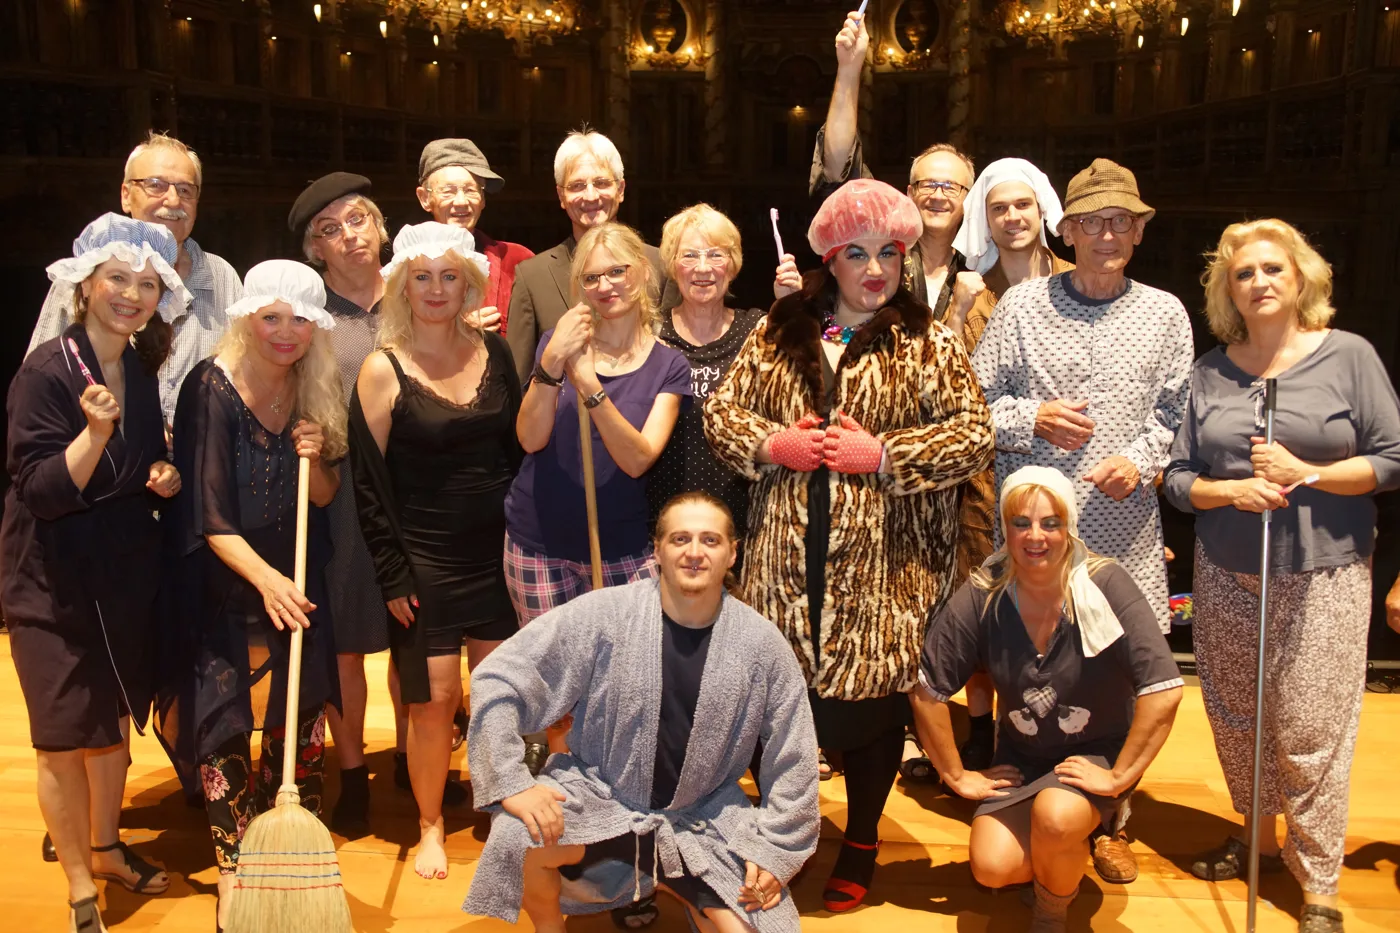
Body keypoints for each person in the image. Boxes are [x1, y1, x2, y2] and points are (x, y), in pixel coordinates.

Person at [704, 178, 994, 911]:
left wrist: (888, 454)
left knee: (871, 717)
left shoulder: (929, 341)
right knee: (777, 711)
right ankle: (785, 834)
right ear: (829, 259)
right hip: (782, 562)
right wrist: (772, 443)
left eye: (888, 253)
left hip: (885, 569)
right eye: (857, 253)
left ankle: (861, 839)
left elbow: (974, 436)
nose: (875, 269)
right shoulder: (780, 331)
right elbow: (722, 415)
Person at [1163, 219, 1400, 933]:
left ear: (1301, 278)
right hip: (1227, 569)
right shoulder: (1211, 371)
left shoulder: (1348, 356)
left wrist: (1309, 472)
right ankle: (1257, 840)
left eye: (1273, 268)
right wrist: (1229, 490)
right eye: (1244, 273)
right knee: (1240, 717)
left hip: (1325, 572)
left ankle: (1318, 877)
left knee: (1309, 730)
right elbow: (1178, 478)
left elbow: (1391, 459)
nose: (1259, 282)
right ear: (1228, 291)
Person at [970, 159, 1190, 880]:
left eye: (1121, 221)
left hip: (1121, 529)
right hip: (1034, 537)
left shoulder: (1166, 313)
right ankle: (1027, 789)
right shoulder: (1021, 307)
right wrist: (1030, 416)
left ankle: (1111, 813)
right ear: (1065, 230)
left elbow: (1175, 412)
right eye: (1091, 222)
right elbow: (974, 403)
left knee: (1119, 676)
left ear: (1140, 232)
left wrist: (1141, 460)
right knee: (1029, 665)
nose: (1106, 234)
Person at [462, 492, 820, 933]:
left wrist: (776, 848)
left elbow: (794, 755)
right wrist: (510, 780)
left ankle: (684, 890)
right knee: (518, 835)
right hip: (601, 800)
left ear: (732, 553)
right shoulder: (604, 615)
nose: (694, 552)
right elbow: (499, 677)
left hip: (703, 818)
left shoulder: (761, 645)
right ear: (657, 550)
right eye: (680, 539)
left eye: (709, 540)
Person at [3, 214, 187, 933]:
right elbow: (43, 490)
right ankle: (80, 883)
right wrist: (95, 433)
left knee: (111, 724)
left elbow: (133, 467)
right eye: (117, 279)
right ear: (84, 285)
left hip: (120, 577)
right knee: (59, 738)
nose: (131, 295)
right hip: (50, 584)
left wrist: (160, 473)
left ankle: (107, 848)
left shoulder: (135, 368)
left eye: (147, 284)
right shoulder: (46, 372)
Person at [913, 466, 1183, 932]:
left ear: (1069, 525)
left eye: (1050, 523)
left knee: (1056, 818)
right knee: (992, 867)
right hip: (1023, 756)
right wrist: (956, 775)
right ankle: (1058, 859)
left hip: (1095, 750)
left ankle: (1051, 912)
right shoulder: (985, 592)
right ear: (1004, 527)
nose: (1035, 536)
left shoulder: (1105, 583)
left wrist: (1119, 777)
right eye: (1021, 522)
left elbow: (1164, 689)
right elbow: (926, 691)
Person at [161, 260, 344, 931]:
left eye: (299, 320)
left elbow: (323, 496)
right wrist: (266, 581)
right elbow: (209, 518)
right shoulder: (210, 386)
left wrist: (316, 454)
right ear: (246, 318)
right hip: (225, 573)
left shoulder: (313, 382)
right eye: (271, 317)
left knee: (299, 711)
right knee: (224, 717)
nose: (285, 332)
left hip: (296, 569)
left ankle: (282, 848)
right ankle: (232, 867)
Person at [350, 221, 522, 881]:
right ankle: (429, 822)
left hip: (498, 556)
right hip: (424, 561)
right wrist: (393, 573)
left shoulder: (495, 352)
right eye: (421, 276)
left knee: (501, 697)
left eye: (450, 276)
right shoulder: (382, 368)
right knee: (431, 701)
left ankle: (500, 802)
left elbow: (515, 453)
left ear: (469, 284)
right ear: (401, 286)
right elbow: (368, 484)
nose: (436, 288)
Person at [915, 157, 1074, 792]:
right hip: (983, 480)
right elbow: (940, 386)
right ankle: (981, 731)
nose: (1011, 218)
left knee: (1056, 615)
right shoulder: (969, 289)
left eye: (1022, 206)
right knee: (984, 606)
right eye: (998, 208)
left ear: (1043, 210)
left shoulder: (1075, 281)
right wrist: (957, 311)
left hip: (1066, 471)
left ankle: (1051, 734)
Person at [504, 221, 691, 626]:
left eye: (617, 271)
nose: (605, 286)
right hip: (538, 544)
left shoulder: (669, 365)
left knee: (626, 663)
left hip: (622, 548)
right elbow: (529, 439)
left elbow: (637, 460)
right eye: (591, 278)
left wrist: (589, 385)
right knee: (551, 665)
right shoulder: (558, 343)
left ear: (642, 271)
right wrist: (552, 361)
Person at [27, 131, 241, 430]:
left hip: (202, 455)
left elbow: (250, 379)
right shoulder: (82, 275)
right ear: (126, 195)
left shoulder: (222, 278)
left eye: (185, 189)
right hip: (101, 452)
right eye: (155, 185)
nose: (173, 199)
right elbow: (36, 393)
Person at [797, 11, 981, 323]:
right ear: (909, 194)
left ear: (970, 198)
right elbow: (839, 165)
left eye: (951, 187)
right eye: (927, 184)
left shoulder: (983, 264)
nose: (938, 195)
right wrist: (849, 68)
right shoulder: (882, 252)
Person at [504, 130, 679, 384]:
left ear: (621, 189)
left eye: (601, 183)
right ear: (561, 196)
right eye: (577, 186)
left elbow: (677, 366)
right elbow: (516, 384)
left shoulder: (660, 265)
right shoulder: (533, 277)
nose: (590, 196)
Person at [649, 204, 764, 544]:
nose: (703, 268)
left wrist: (794, 309)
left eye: (716, 255)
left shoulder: (758, 330)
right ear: (672, 265)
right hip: (665, 524)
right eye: (689, 255)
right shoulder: (650, 334)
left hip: (743, 523)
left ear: (733, 264)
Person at [415, 138, 535, 334]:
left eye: (471, 190)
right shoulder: (406, 267)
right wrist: (455, 331)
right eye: (448, 191)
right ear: (425, 198)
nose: (461, 202)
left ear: (483, 199)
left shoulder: (517, 260)